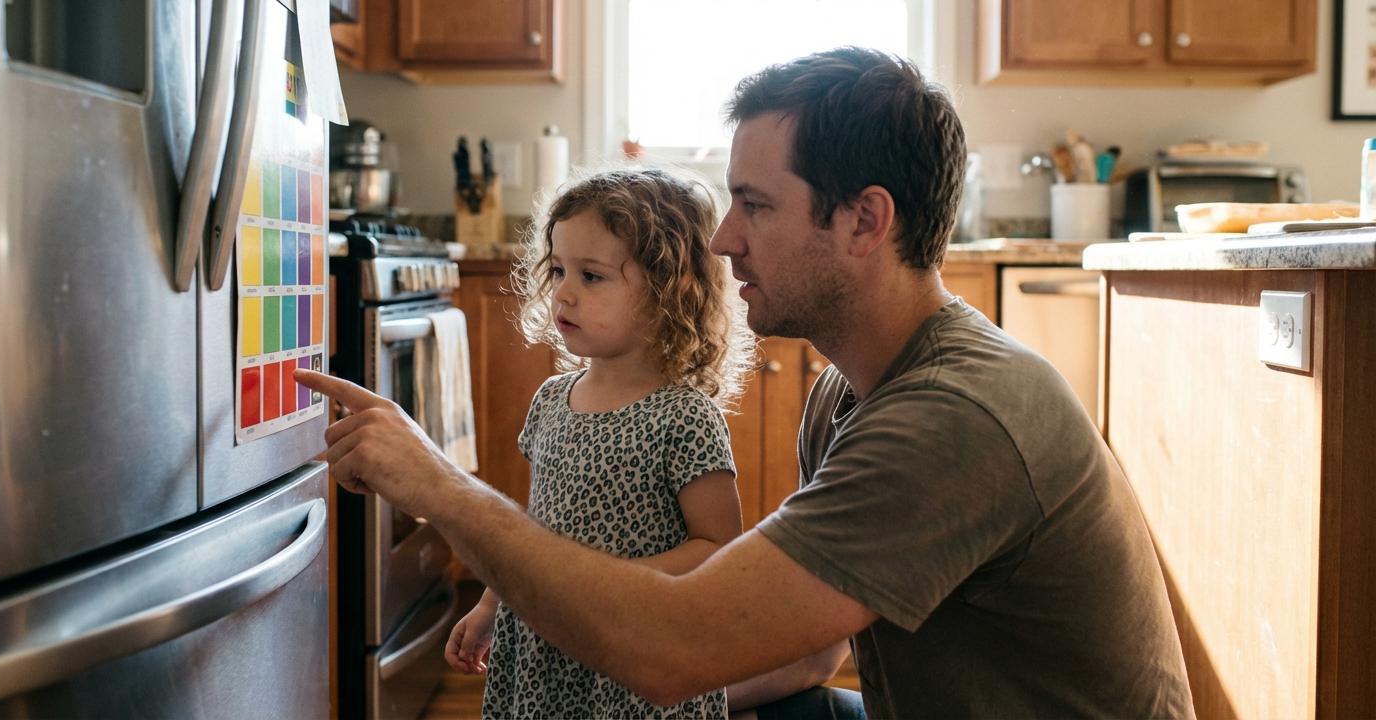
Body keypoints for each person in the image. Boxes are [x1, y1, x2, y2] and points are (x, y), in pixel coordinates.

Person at [298, 46, 1195, 719]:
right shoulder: (847, 389)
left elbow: (674, 646)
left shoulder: (952, 420)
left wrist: (442, 489)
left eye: (756, 205)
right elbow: (812, 649)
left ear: (865, 220)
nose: (724, 240)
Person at [440, 167, 755, 718]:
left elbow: (717, 549)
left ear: (668, 288)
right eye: (559, 269)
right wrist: (493, 601)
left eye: (592, 276)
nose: (562, 292)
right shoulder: (551, 399)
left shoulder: (684, 416)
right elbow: (536, 525)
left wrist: (605, 586)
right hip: (545, 644)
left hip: (631, 654)